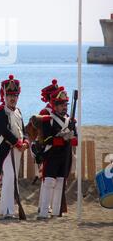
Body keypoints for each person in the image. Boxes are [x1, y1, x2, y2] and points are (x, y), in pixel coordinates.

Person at [0, 74, 29, 220]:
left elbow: (23, 130)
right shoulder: (0, 111)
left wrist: (25, 142)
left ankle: (4, 210)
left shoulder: (18, 111)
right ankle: (8, 211)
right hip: (5, 150)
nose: (12, 98)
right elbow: (4, 130)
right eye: (10, 95)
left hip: (18, 150)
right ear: (4, 96)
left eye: (15, 95)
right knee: (10, 178)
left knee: (12, 178)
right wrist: (17, 142)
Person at [37, 86, 77, 219]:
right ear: (54, 105)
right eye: (61, 104)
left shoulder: (71, 121)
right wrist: (62, 138)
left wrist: (72, 137)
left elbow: (75, 140)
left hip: (65, 156)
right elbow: (47, 140)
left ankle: (55, 212)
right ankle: (43, 212)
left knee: (60, 184)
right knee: (49, 183)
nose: (64, 107)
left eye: (65, 104)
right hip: (52, 155)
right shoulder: (48, 119)